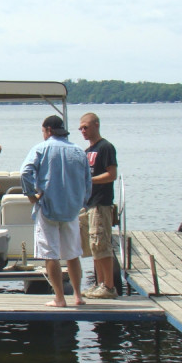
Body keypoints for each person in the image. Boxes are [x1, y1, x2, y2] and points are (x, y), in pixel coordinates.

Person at [20, 116, 91, 307]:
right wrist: (82, 202)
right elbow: (87, 181)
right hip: (72, 209)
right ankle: (78, 296)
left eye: (43, 131)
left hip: (48, 206)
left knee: (50, 254)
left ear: (49, 130)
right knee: (73, 253)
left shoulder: (41, 149)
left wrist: (31, 196)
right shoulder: (78, 151)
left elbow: (25, 172)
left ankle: (59, 298)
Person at [78, 112, 119, 299]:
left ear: (96, 125)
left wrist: (90, 180)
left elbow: (111, 174)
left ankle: (109, 286)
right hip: (89, 204)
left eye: (85, 127)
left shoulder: (106, 147)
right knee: (93, 245)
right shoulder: (86, 152)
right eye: (80, 128)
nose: (82, 131)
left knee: (102, 244)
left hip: (101, 203)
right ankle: (99, 283)